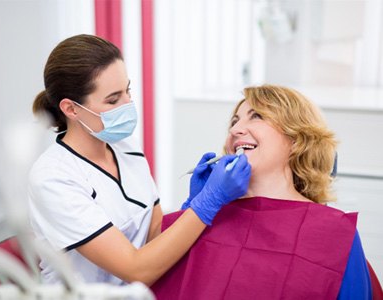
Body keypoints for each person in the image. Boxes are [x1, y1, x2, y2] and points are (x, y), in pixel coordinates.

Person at [27, 34, 251, 286]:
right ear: (71, 109)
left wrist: (190, 205)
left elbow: (153, 233)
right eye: (113, 99)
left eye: (127, 90)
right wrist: (208, 202)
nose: (129, 104)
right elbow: (135, 269)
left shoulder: (125, 146)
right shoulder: (53, 178)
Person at [151, 85, 373, 299]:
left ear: (296, 139)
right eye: (235, 121)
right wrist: (192, 206)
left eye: (256, 116)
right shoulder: (203, 218)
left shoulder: (334, 233)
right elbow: (152, 277)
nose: (235, 130)